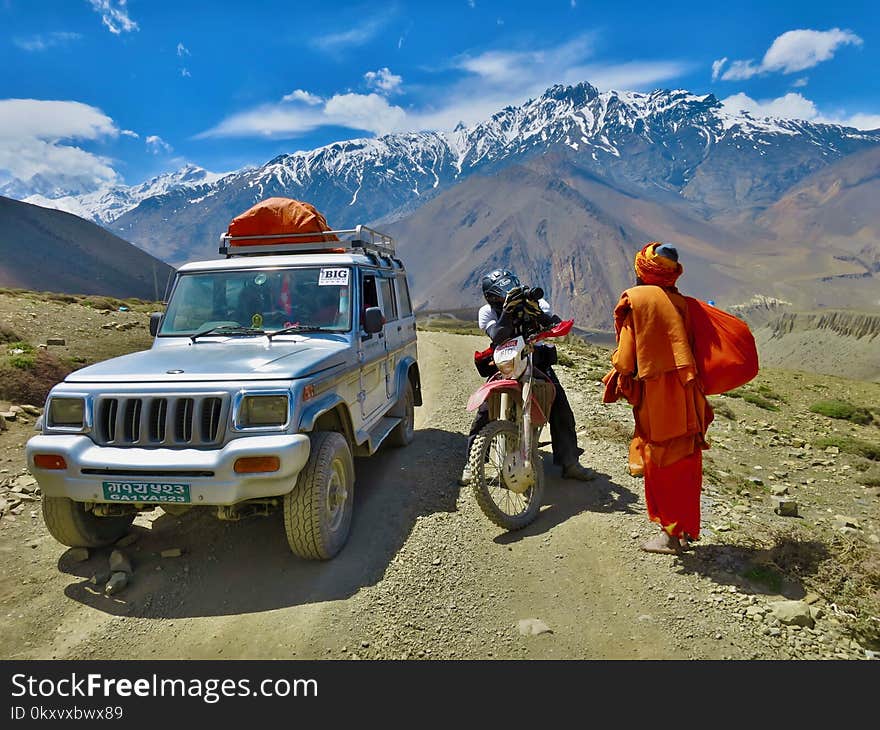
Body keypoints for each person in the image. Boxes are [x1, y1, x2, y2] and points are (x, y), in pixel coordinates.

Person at [602, 242, 714, 554]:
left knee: (661, 462)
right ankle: (687, 529)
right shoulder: (682, 303)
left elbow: (625, 362)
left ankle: (670, 535)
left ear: (642, 271)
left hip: (657, 401)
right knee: (686, 462)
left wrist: (616, 371)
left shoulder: (636, 301)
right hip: (688, 395)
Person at [460, 268, 596, 485]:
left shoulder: (537, 303)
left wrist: (535, 312)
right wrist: (508, 312)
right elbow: (497, 336)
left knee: (560, 407)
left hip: (535, 359)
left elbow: (554, 323)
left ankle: (570, 462)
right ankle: (473, 463)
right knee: (485, 409)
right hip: (506, 362)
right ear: (493, 297)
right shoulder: (487, 312)